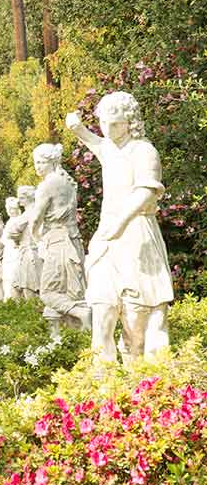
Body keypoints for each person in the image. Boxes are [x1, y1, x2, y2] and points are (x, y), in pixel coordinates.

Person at [66, 92, 174, 364]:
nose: (108, 130)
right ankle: (102, 380)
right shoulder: (109, 148)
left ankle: (143, 380)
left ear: (130, 121)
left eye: (115, 124)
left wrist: (120, 221)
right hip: (107, 241)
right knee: (102, 308)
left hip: (137, 236)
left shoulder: (144, 151)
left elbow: (147, 191)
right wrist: (77, 127)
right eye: (103, 123)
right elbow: (93, 141)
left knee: (139, 319)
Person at [28, 143, 90, 334]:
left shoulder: (47, 185)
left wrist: (36, 237)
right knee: (72, 293)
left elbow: (36, 218)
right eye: (35, 162)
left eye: (40, 162)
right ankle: (76, 346)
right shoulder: (68, 182)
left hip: (57, 244)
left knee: (47, 293)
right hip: (73, 241)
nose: (37, 166)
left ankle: (81, 314)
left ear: (51, 161)